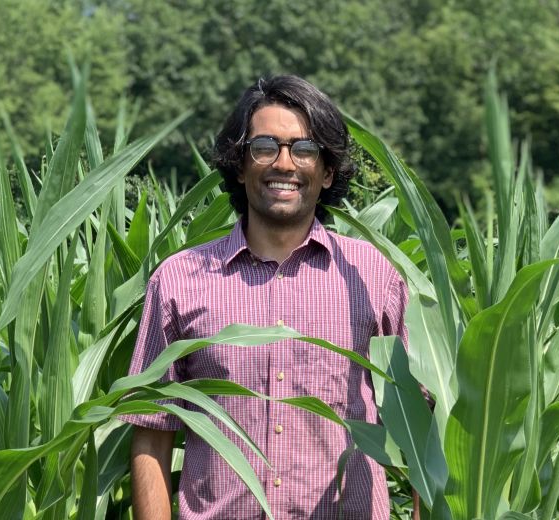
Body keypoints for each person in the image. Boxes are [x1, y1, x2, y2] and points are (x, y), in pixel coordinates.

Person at [125, 75, 409, 519]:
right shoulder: (180, 280)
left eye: (304, 149)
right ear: (240, 165)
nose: (284, 163)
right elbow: (150, 431)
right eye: (264, 147)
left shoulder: (373, 277)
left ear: (328, 170)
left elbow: (424, 419)